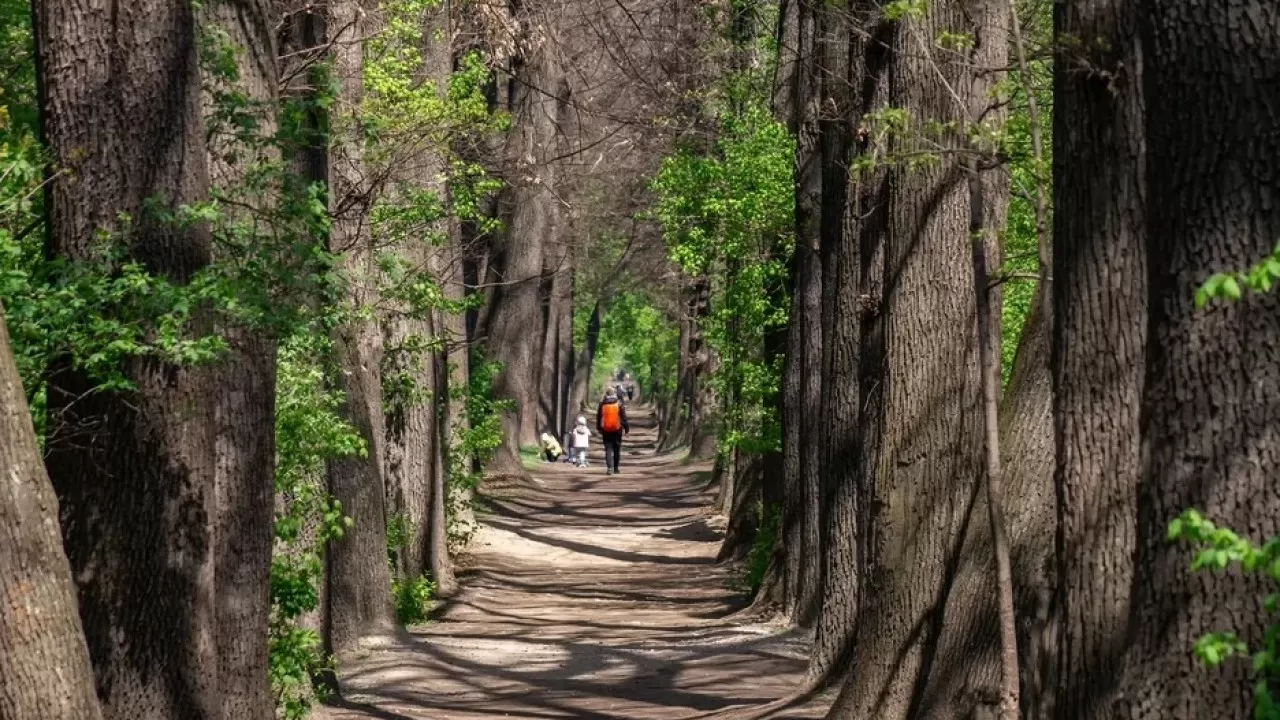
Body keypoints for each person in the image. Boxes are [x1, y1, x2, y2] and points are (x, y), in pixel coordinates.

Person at [596, 388, 629, 475]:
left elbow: (599, 417)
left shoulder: (602, 404)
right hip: (617, 430)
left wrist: (599, 428)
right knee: (617, 449)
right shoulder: (619, 403)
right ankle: (616, 468)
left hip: (605, 430)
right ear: (614, 393)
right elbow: (623, 418)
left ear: (606, 394)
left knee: (608, 449)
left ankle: (609, 468)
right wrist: (626, 429)